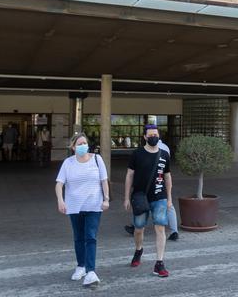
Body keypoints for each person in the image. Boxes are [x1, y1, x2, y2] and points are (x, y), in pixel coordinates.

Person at [55, 133, 110, 288]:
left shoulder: (97, 160)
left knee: (90, 237)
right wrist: (60, 200)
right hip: (74, 206)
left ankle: (91, 271)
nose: (83, 146)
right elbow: (59, 183)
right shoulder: (68, 163)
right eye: (79, 144)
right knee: (79, 237)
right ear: (73, 147)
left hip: (94, 205)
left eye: (84, 143)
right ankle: (81, 266)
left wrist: (106, 199)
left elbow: (104, 181)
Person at [123, 123, 174, 277]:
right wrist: (126, 197)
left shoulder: (164, 155)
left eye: (156, 135)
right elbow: (129, 175)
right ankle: (139, 250)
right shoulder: (137, 154)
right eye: (150, 135)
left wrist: (169, 198)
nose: (154, 137)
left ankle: (159, 263)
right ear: (145, 137)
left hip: (160, 197)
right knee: (139, 228)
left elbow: (167, 176)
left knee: (160, 228)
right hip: (140, 197)